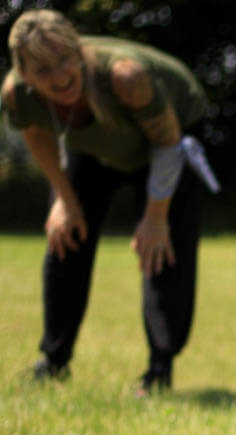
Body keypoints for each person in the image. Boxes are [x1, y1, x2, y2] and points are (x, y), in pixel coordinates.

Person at [1, 9, 218, 394]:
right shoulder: (17, 94)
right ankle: (53, 361)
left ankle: (158, 370)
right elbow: (36, 134)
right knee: (64, 238)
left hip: (166, 141)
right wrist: (64, 199)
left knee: (162, 250)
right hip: (94, 148)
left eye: (66, 60)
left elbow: (167, 143)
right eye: (44, 70)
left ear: (79, 49)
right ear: (24, 72)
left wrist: (155, 217)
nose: (61, 76)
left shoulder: (125, 77)